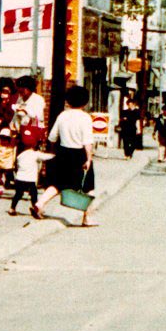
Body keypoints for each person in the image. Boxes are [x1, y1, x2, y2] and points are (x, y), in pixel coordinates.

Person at [34, 85, 97, 227]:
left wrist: (52, 152)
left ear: (68, 101)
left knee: (58, 183)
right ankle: (87, 218)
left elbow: (52, 137)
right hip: (79, 153)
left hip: (63, 152)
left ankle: (40, 203)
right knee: (88, 186)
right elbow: (87, 141)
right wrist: (89, 159)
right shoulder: (85, 117)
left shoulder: (62, 115)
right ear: (85, 102)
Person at [8, 126, 53, 216]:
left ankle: (12, 208)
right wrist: (54, 155)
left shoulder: (20, 155)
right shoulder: (35, 154)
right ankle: (35, 207)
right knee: (33, 195)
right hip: (31, 179)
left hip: (20, 178)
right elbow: (46, 157)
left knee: (18, 194)